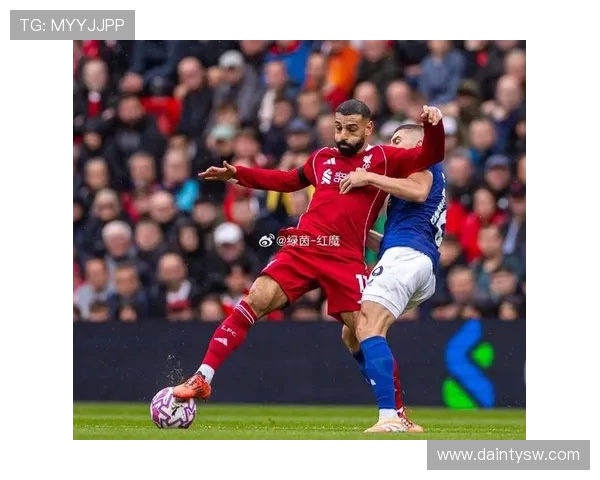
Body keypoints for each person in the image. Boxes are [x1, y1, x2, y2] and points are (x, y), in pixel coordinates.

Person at [172, 100, 445, 422]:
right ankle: (202, 376)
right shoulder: (321, 158)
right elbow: (286, 181)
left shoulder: (384, 158)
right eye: (338, 128)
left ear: (368, 128)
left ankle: (395, 415)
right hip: (303, 247)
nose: (343, 136)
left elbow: (431, 155)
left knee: (364, 331)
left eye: (352, 129)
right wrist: (238, 174)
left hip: (344, 257)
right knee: (254, 299)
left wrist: (434, 125)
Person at [339, 123, 446, 433]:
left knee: (368, 326)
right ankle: (398, 414)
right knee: (352, 333)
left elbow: (418, 191)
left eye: (398, 140)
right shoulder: (416, 174)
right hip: (414, 261)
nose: (391, 146)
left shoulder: (421, 163)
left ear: (419, 143)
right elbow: (395, 235)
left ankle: (390, 417)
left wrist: (369, 176)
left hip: (406, 257)